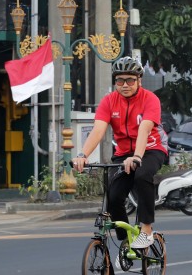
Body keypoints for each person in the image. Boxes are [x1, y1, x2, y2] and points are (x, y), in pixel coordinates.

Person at [72, 56, 168, 249]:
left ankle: (146, 230)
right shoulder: (109, 101)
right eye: (120, 80)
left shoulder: (151, 99)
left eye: (130, 80)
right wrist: (83, 155)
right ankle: (126, 241)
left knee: (142, 176)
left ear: (139, 80)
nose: (125, 85)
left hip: (151, 149)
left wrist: (137, 157)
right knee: (114, 195)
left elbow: (145, 129)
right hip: (123, 152)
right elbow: (98, 130)